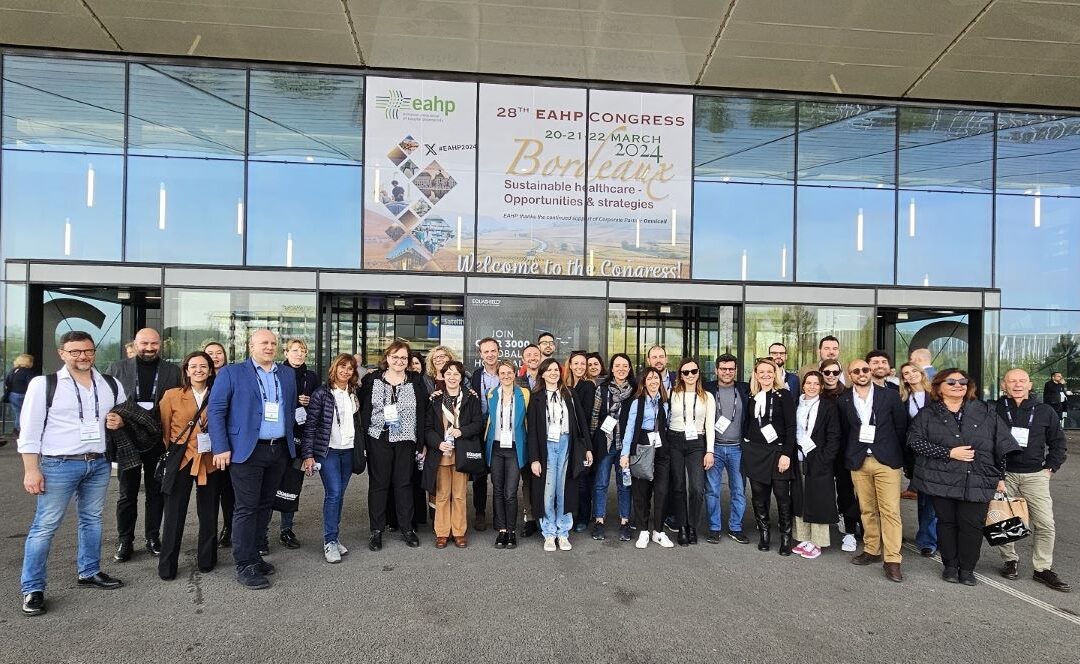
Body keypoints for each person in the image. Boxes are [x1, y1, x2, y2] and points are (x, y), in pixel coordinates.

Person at [18, 331, 127, 616]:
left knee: (92, 520)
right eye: (75, 351)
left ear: (94, 352)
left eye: (88, 351)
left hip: (98, 462)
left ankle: (89, 571)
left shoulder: (109, 384)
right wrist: (31, 470)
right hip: (58, 464)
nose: (83, 356)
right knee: (45, 526)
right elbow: (29, 431)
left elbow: (122, 414)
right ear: (62, 353)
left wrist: (118, 420)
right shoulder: (44, 385)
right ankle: (33, 588)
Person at [907, 369, 1019, 586]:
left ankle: (967, 569)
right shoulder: (928, 414)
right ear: (939, 387)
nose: (958, 385)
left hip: (978, 477)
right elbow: (914, 441)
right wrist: (948, 453)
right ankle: (950, 566)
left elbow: (1001, 446)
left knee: (972, 526)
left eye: (962, 381)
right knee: (947, 523)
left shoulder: (986, 411)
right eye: (951, 382)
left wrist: (1001, 477)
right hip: (941, 479)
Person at [208, 329, 298, 589]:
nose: (269, 347)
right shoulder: (231, 373)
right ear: (251, 346)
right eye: (263, 343)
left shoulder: (286, 374)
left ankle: (255, 554)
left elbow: (289, 409)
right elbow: (216, 411)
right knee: (246, 508)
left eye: (272, 343)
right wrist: (221, 447)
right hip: (245, 451)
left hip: (277, 450)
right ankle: (244, 564)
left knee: (265, 505)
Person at [107, 327, 181, 562]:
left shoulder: (172, 371)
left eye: (154, 344)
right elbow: (106, 403)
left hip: (158, 439)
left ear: (161, 345)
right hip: (127, 438)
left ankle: (152, 538)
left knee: (155, 492)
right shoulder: (117, 369)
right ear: (135, 344)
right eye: (144, 344)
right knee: (126, 493)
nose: (149, 348)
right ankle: (125, 541)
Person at [996, 369, 1071, 592]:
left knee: (1045, 523)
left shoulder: (1045, 411)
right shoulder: (994, 409)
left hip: (1035, 475)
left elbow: (1058, 442)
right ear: (1004, 385)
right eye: (1012, 381)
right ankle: (1010, 560)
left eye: (1022, 381)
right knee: (1005, 521)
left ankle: (1042, 568)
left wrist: (1050, 468)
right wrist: (995, 474)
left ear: (1030, 385)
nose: (1017, 385)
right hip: (1004, 474)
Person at [837, 358, 908, 583]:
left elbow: (901, 428)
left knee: (890, 511)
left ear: (871, 371)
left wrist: (899, 458)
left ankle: (893, 559)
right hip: (859, 461)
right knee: (867, 509)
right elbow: (845, 432)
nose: (861, 373)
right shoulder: (844, 400)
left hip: (886, 461)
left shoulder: (890, 396)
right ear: (850, 375)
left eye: (865, 369)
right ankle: (872, 549)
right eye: (856, 370)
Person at [359, 340, 429, 551]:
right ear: (387, 358)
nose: (399, 361)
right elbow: (363, 409)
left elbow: (423, 412)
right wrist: (362, 442)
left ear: (408, 361)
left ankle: (407, 528)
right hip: (378, 437)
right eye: (395, 357)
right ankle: (376, 530)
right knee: (379, 485)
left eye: (403, 358)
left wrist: (421, 442)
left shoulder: (416, 381)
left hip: (406, 439)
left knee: (404, 483)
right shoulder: (372, 379)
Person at [157, 351, 220, 580]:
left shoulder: (218, 394)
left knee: (209, 511)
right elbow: (164, 429)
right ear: (186, 370)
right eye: (193, 366)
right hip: (182, 457)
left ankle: (207, 560)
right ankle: (167, 566)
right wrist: (174, 449)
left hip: (209, 458)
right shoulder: (172, 395)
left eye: (203, 366)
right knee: (174, 513)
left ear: (211, 369)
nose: (198, 370)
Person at [527, 358, 593, 551]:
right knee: (548, 490)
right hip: (545, 446)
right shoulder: (536, 397)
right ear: (543, 374)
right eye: (549, 370)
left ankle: (563, 532)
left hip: (566, 444)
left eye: (556, 369)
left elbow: (581, 423)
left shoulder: (569, 394)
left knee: (564, 489)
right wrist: (534, 459)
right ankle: (549, 533)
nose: (553, 373)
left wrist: (588, 448)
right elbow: (532, 432)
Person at [300, 354, 361, 564]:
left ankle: (334, 536)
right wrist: (308, 455)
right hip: (328, 452)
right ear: (334, 368)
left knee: (340, 495)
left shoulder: (353, 393)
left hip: (349, 450)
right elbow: (310, 427)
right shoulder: (321, 394)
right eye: (342, 367)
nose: (345, 371)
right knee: (333, 493)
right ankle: (329, 541)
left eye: (350, 368)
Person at [267, 338, 320, 552]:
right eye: (295, 350)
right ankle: (261, 532)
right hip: (279, 437)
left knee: (292, 484)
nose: (299, 354)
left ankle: (286, 529)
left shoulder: (312, 376)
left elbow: (319, 406)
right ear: (286, 352)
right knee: (271, 484)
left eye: (302, 351)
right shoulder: (276, 373)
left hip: (301, 438)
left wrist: (310, 401)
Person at [423, 361, 483, 548]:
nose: (452, 377)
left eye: (456, 374)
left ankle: (458, 531)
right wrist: (437, 443)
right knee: (441, 495)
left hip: (462, 453)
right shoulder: (435, 399)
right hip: (442, 453)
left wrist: (462, 431)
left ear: (461, 378)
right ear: (443, 376)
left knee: (458, 495)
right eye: (448, 373)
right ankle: (441, 532)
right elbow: (428, 428)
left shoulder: (470, 398)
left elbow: (478, 423)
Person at [741, 358, 796, 555]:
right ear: (755, 375)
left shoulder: (784, 395)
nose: (765, 375)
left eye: (769, 372)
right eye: (761, 372)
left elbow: (791, 427)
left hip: (778, 452)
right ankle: (764, 533)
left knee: (782, 496)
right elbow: (748, 424)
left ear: (775, 374)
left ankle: (785, 536)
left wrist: (787, 454)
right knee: (758, 496)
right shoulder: (752, 396)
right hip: (755, 452)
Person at [620, 367, 673, 548]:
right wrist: (625, 454)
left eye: (656, 378)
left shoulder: (665, 402)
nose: (653, 381)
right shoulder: (638, 402)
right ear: (643, 382)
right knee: (641, 492)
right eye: (649, 378)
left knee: (662, 490)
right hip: (641, 447)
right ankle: (643, 530)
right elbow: (629, 429)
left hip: (661, 449)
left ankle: (659, 531)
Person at [791, 371, 840, 559]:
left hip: (819, 459)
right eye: (808, 383)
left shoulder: (828, 406)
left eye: (816, 384)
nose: (812, 387)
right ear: (803, 385)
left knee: (819, 499)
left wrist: (825, 458)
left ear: (821, 387)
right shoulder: (795, 404)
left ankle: (817, 542)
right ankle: (803, 537)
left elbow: (834, 435)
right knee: (800, 497)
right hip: (798, 458)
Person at [668, 357, 715, 546]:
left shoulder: (707, 397)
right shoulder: (673, 393)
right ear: (680, 375)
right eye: (685, 372)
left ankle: (693, 525)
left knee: (696, 487)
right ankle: (682, 527)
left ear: (698, 373)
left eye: (693, 371)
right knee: (678, 487)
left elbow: (710, 425)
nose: (690, 375)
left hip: (697, 441)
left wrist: (709, 451)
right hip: (675, 440)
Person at [703, 353, 750, 544]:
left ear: (736, 370)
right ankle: (714, 527)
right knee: (712, 490)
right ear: (716, 370)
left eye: (731, 369)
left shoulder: (745, 389)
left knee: (738, 490)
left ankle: (735, 527)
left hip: (738, 449)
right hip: (714, 447)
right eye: (723, 369)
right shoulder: (707, 389)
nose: (727, 372)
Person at [590, 353, 635, 541]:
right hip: (605, 443)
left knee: (624, 484)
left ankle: (625, 521)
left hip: (625, 445)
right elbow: (594, 415)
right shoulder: (603, 388)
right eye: (617, 365)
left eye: (625, 366)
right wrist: (591, 443)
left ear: (630, 368)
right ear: (611, 368)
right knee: (600, 484)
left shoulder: (635, 390)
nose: (621, 369)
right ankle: (599, 520)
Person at [486, 360, 529, 549]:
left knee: (510, 492)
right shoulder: (491, 394)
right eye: (502, 373)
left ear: (514, 373)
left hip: (514, 447)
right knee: (497, 490)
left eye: (509, 372)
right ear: (498, 375)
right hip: (495, 447)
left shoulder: (524, 394)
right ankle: (502, 530)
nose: (505, 376)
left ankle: (511, 530)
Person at [899, 362, 937, 556]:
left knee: (935, 500)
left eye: (914, 371)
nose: (911, 375)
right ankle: (926, 539)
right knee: (923, 499)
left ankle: (931, 539)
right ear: (903, 379)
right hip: (916, 456)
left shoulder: (936, 395)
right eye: (906, 373)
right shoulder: (904, 399)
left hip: (938, 455)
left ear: (921, 373)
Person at [469, 337, 502, 532]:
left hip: (500, 429)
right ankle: (480, 512)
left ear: (499, 351)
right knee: (479, 474)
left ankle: (499, 513)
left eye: (493, 351)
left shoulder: (507, 372)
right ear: (481, 354)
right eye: (486, 352)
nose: (490, 355)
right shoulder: (475, 375)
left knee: (499, 473)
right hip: (480, 429)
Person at [204, 342, 234, 548]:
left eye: (219, 353)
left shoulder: (232, 376)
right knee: (209, 490)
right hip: (202, 444)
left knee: (229, 489)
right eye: (210, 354)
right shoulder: (199, 378)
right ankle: (208, 533)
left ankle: (229, 527)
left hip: (227, 440)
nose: (215, 356)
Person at [565, 350, 597, 532]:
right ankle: (570, 514)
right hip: (565, 439)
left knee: (582, 479)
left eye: (582, 364)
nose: (579, 367)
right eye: (576, 363)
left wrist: (586, 445)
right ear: (570, 364)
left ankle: (583, 517)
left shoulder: (587, 386)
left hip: (581, 440)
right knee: (569, 479)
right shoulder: (564, 385)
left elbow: (585, 416)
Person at [516, 343, 543, 535]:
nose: (533, 358)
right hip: (524, 436)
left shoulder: (549, 377)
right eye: (529, 355)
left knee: (544, 478)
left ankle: (544, 516)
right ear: (523, 360)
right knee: (527, 479)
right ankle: (530, 518)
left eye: (536, 354)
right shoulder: (517, 381)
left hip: (546, 438)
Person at [4, 353, 38, 439]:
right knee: (27, 413)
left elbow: (7, 383)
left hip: (12, 395)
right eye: (31, 361)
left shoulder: (13, 371)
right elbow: (32, 383)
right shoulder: (27, 371)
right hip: (22, 395)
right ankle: (21, 431)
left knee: (18, 413)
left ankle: (17, 429)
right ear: (28, 362)